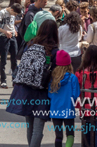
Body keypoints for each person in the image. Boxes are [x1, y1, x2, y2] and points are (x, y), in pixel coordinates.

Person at [6, 19, 59, 147]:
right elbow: (56, 73)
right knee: (38, 128)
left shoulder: (30, 45)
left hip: (25, 89)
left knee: (29, 125)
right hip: (42, 91)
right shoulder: (53, 51)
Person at [77, 45, 97, 147]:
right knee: (96, 136)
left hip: (86, 107)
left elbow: (78, 90)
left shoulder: (80, 72)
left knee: (86, 137)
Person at [48, 50, 79, 147]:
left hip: (55, 110)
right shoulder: (72, 78)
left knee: (58, 136)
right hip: (68, 109)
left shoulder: (53, 78)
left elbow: (50, 94)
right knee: (70, 134)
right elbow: (76, 94)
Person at [0, 2, 22, 87]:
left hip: (12, 36)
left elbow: (11, 23)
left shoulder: (13, 14)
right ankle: (3, 80)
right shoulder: (3, 13)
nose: (15, 15)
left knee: (14, 59)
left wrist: (14, 31)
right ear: (11, 9)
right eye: (15, 13)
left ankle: (14, 79)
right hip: (4, 37)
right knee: (4, 60)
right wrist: (5, 32)